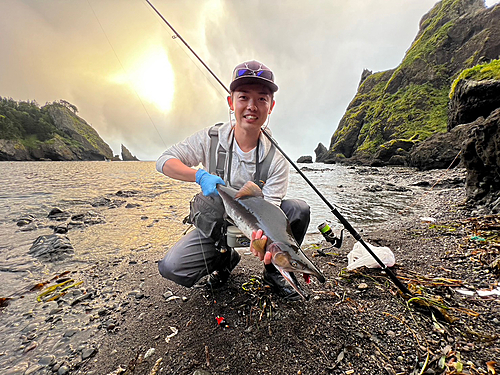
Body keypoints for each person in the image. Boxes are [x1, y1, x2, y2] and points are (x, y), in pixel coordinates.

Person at [156, 60, 310, 301]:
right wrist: (199, 175)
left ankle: (275, 271)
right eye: (243, 97)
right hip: (218, 225)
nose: (252, 106)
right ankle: (225, 259)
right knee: (171, 267)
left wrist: (264, 245)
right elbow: (164, 161)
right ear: (231, 102)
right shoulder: (211, 138)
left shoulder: (277, 157)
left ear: (271, 107)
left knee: (298, 209)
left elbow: (271, 211)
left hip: (253, 224)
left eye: (261, 99)